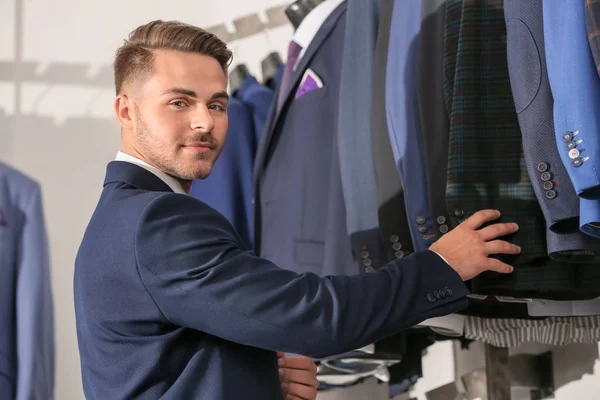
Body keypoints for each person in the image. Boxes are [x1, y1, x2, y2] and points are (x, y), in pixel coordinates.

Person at [73, 20, 521, 400]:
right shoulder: (157, 222)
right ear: (125, 111)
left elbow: (169, 366)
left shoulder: (123, 220)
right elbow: (319, 317)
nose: (204, 121)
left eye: (216, 104)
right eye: (179, 102)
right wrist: (441, 264)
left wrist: (262, 377)